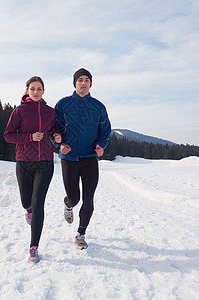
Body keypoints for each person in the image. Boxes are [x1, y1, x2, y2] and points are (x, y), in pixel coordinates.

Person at [4, 76, 61, 263]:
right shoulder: (19, 111)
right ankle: (27, 210)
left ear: (44, 91)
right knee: (26, 202)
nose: (36, 92)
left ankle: (34, 247)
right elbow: (8, 135)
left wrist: (56, 136)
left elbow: (53, 131)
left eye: (39, 89)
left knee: (38, 204)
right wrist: (30, 137)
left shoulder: (50, 112)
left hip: (45, 162)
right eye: (33, 89)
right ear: (27, 90)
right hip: (23, 162)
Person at [54, 68, 111, 250]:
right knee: (74, 197)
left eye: (87, 80)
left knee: (88, 199)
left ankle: (81, 234)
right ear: (75, 83)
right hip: (69, 158)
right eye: (80, 80)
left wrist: (101, 145)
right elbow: (54, 129)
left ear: (91, 84)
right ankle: (68, 205)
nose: (84, 83)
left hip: (89, 159)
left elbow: (105, 130)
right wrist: (60, 144)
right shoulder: (63, 105)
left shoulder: (98, 107)